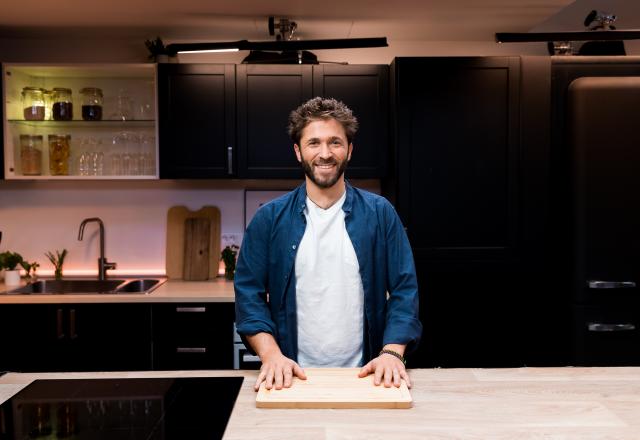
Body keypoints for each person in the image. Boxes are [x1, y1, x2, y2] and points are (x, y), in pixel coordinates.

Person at [234, 97, 422, 392]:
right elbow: (248, 295)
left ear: (349, 149)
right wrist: (271, 356)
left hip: (368, 376)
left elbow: (404, 289)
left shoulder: (380, 213)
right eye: (314, 143)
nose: (325, 153)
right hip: (290, 377)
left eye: (335, 142)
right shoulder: (268, 219)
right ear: (298, 151)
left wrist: (391, 352)